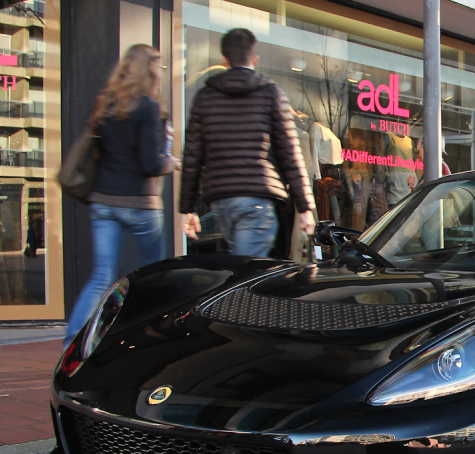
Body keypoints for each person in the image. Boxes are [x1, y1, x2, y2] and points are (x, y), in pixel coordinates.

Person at [64, 44, 175, 348]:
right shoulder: (149, 106)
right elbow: (150, 163)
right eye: (158, 65)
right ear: (150, 68)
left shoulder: (106, 105)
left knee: (100, 277)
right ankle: (157, 340)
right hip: (138, 203)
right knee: (157, 275)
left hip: (102, 201)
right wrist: (172, 162)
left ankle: (72, 344)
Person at [180, 28, 315, 256]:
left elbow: (192, 154)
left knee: (243, 266)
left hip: (221, 199)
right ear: (254, 58)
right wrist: (305, 207)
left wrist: (187, 208)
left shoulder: (206, 96)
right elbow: (290, 152)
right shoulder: (270, 93)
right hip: (257, 198)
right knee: (247, 273)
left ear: (224, 59)